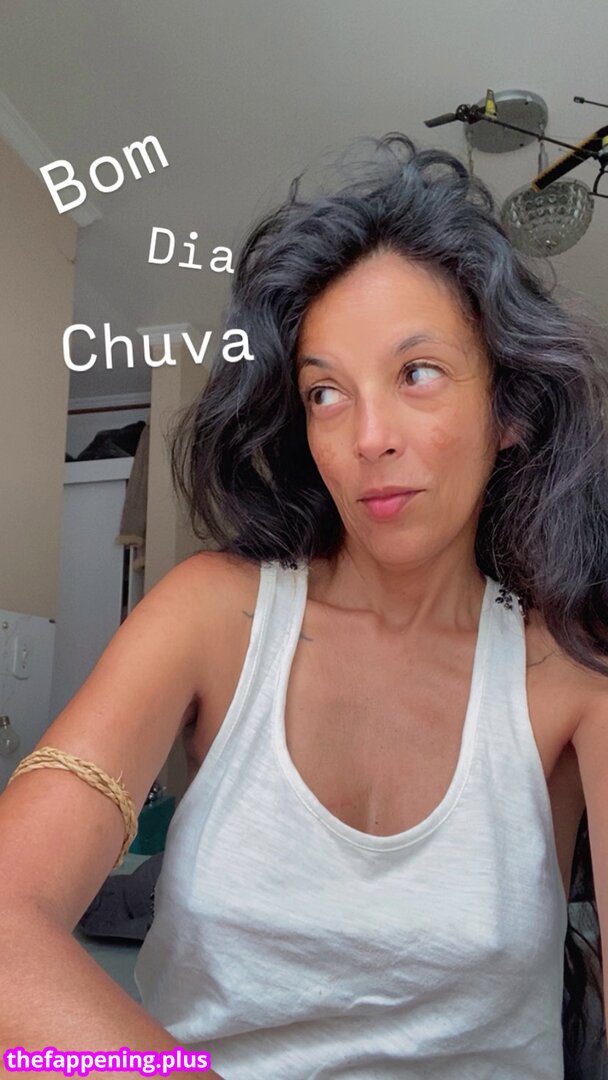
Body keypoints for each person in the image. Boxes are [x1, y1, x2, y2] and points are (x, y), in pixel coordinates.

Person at [1, 133, 607, 1079]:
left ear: (509, 410)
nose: (368, 437)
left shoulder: (569, 664)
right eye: (326, 392)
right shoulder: (211, 614)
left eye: (417, 373)